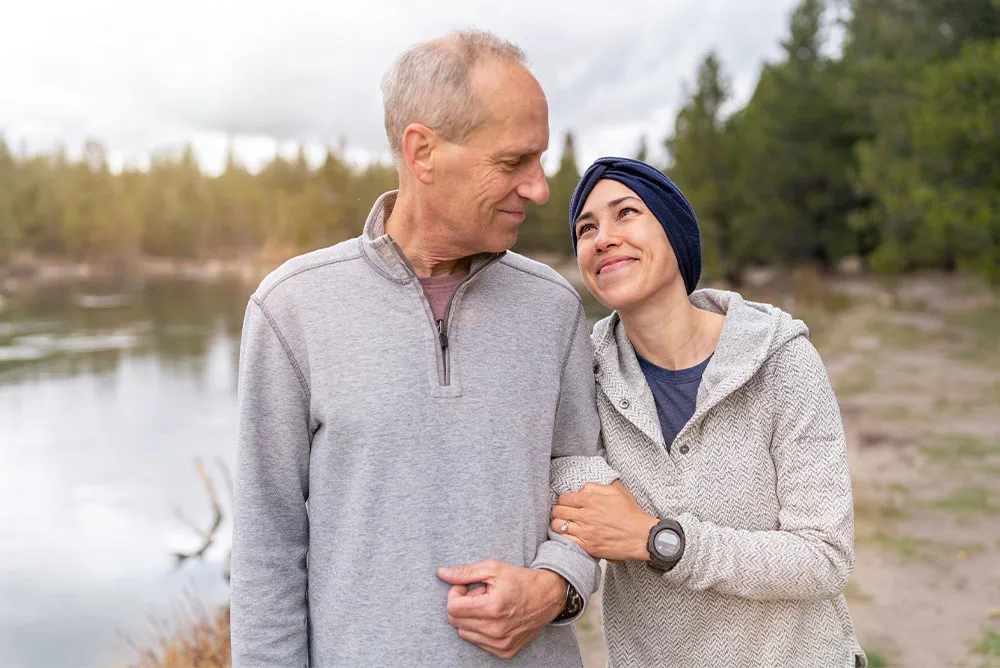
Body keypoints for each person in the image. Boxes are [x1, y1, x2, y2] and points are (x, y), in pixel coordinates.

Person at [229, 31, 618, 667]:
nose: (540, 188)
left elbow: (585, 486)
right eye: (513, 162)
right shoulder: (290, 309)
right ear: (423, 152)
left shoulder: (554, 307)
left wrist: (555, 587)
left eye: (540, 160)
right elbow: (266, 550)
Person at [550, 157, 867, 667]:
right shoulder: (582, 377)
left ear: (675, 234)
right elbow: (567, 486)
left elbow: (823, 558)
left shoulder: (780, 359)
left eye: (625, 213)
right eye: (586, 228)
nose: (602, 237)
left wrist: (656, 540)